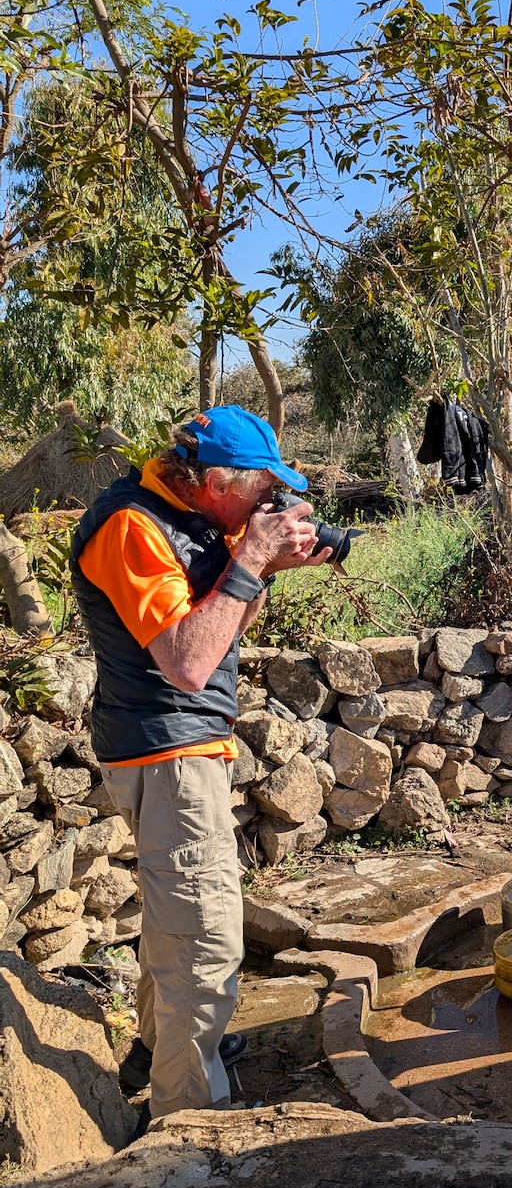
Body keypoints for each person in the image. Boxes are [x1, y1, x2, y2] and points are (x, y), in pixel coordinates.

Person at [70, 406, 332, 1122]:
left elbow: (218, 630)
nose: (269, 503)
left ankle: (154, 1055)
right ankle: (187, 1136)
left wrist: (262, 569)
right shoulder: (133, 526)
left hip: (179, 750)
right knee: (207, 945)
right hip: (167, 754)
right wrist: (250, 558)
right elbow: (188, 661)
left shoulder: (188, 519)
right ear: (215, 481)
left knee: (174, 928)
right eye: (261, 489)